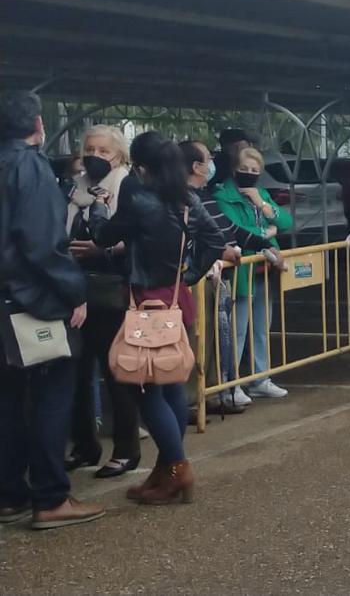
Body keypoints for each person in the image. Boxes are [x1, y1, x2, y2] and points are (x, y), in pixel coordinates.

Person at [92, 132, 223, 505]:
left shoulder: (138, 201)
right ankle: (167, 468)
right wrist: (189, 275)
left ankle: (178, 468)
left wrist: (99, 206)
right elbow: (215, 241)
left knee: (145, 387)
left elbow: (103, 236)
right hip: (176, 300)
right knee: (171, 383)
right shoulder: (188, 201)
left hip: (144, 304)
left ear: (142, 167)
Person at [0, 91, 101, 530]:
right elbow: (42, 242)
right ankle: (51, 497)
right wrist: (74, 291)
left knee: (7, 400)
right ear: (38, 126)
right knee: (51, 397)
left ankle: (9, 493)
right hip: (33, 299)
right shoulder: (30, 167)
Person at [65, 125, 139, 479]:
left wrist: (103, 249)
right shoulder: (74, 188)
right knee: (76, 374)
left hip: (110, 290)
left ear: (119, 155)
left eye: (104, 151)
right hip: (74, 290)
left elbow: (136, 236)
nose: (95, 156)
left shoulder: (127, 185)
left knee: (115, 372)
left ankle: (126, 449)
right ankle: (85, 445)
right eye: (90, 149)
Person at [181, 141, 274, 414]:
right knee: (197, 338)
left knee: (216, 338)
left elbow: (229, 229)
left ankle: (213, 393)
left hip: (218, 278)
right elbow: (193, 237)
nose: (213, 163)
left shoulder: (204, 195)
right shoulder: (183, 198)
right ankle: (192, 401)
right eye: (208, 159)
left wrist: (264, 245)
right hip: (198, 278)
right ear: (196, 166)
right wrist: (220, 251)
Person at [214, 146, 293, 399]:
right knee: (236, 331)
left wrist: (263, 205)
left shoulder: (261, 194)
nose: (249, 173)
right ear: (234, 169)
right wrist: (266, 233)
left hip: (264, 270)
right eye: (244, 168)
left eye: (254, 170)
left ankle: (261, 378)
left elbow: (286, 222)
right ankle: (231, 384)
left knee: (261, 328)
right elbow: (235, 230)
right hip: (240, 271)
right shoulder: (223, 196)